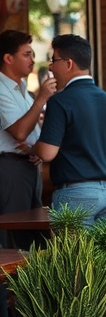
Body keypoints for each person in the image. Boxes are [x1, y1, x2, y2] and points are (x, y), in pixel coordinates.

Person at [35, 34, 106, 225]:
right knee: (101, 255)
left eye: (53, 60)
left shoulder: (60, 101)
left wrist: (32, 148)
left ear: (68, 63)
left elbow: (47, 153)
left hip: (76, 196)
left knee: (76, 255)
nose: (50, 67)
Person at [0, 30, 53, 247]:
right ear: (8, 58)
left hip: (30, 166)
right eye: (27, 54)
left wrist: (37, 151)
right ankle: (8, 281)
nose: (33, 60)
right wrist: (41, 98)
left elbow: (31, 133)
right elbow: (19, 132)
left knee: (33, 231)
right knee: (14, 231)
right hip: (9, 167)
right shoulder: (2, 89)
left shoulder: (23, 89)